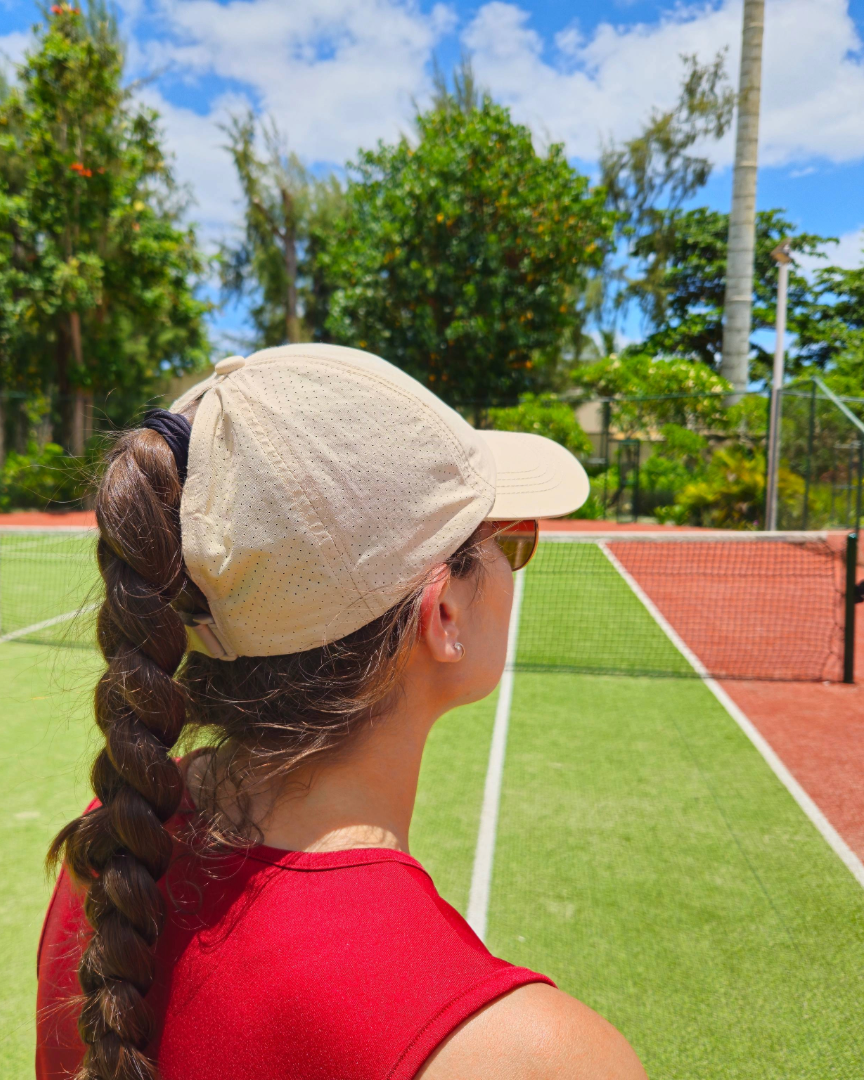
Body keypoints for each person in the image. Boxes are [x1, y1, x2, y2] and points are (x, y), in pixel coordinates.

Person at [36, 344, 647, 1080]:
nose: (518, 564)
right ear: (444, 609)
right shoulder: (535, 1057)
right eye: (513, 542)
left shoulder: (113, 847)